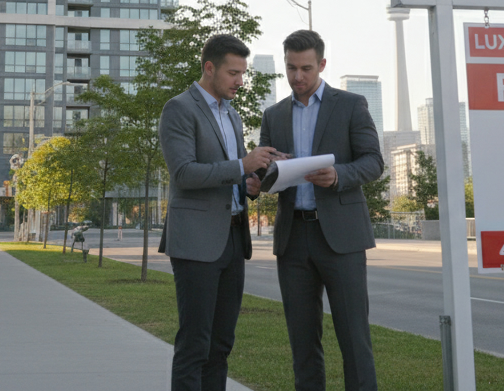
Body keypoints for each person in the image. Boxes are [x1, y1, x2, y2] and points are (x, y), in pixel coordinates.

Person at [259, 29, 384, 391]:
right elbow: (262, 172)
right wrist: (267, 170)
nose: (298, 77)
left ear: (322, 65)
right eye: (291, 68)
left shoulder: (351, 105)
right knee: (302, 343)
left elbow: (374, 162)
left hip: (341, 239)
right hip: (293, 238)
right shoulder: (274, 114)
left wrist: (338, 175)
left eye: (306, 69)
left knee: (354, 339)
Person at [159, 34, 278, 391]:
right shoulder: (179, 108)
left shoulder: (235, 117)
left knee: (221, 345)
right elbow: (184, 173)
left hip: (233, 239)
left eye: (243, 73)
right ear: (209, 68)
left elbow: (232, 175)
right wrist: (241, 164)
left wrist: (250, 183)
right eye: (233, 72)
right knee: (195, 344)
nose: (240, 81)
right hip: (196, 242)